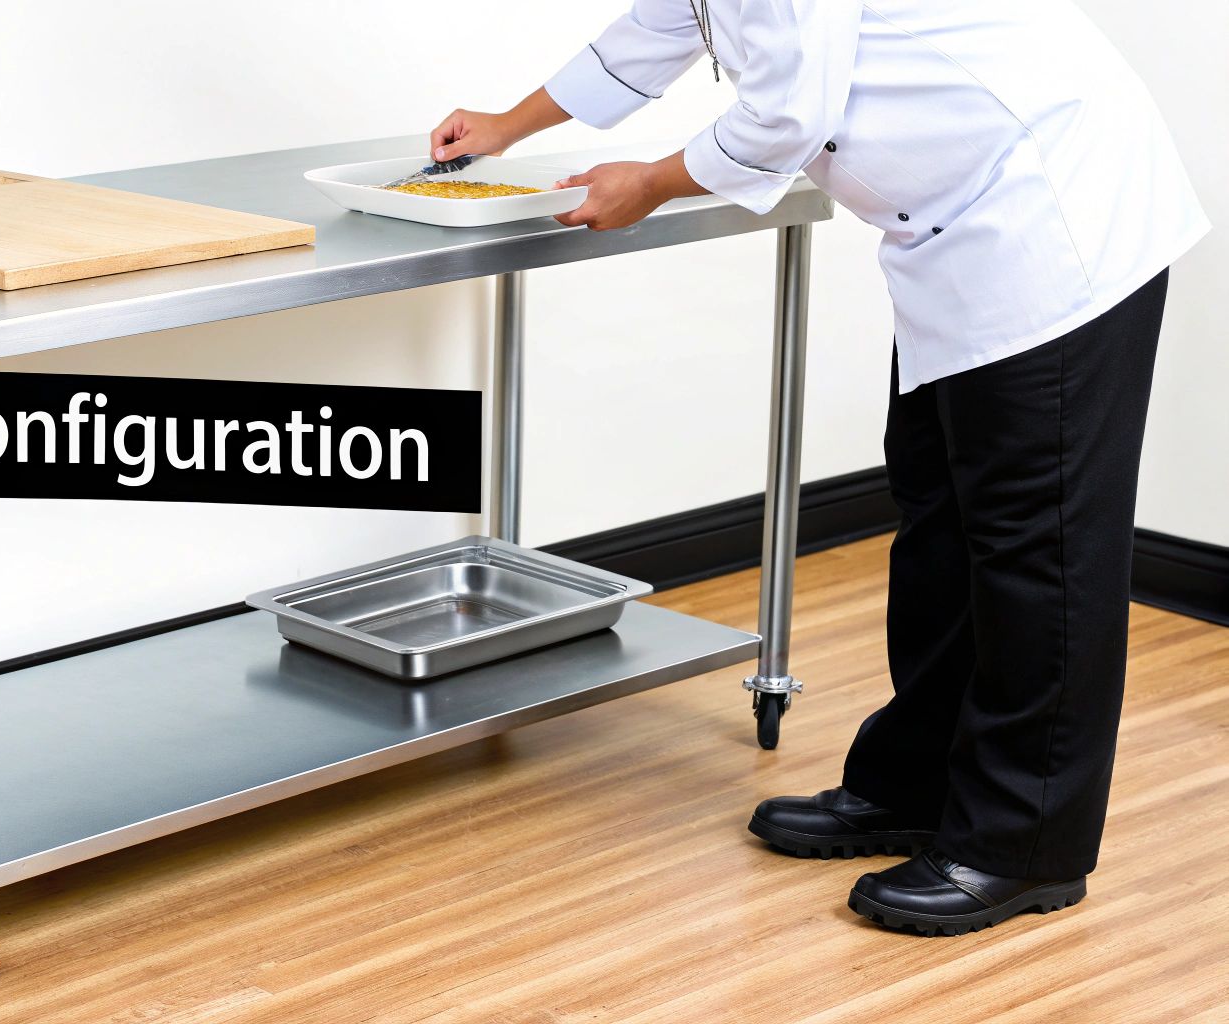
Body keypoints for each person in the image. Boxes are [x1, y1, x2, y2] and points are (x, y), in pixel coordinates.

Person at [432, 0, 1209, 935]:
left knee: (1037, 544)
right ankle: (915, 785)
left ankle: (1023, 843)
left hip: (1052, 207)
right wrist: (507, 125)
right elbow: (660, 27)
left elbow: (790, 115)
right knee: (940, 520)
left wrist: (652, 182)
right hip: (954, 231)